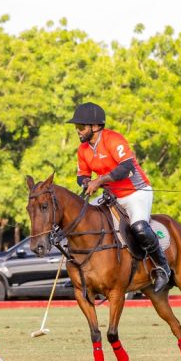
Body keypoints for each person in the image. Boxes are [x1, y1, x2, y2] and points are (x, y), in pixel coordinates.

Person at [67, 101, 171, 293]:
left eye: (81, 126)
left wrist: (99, 181)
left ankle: (162, 267)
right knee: (81, 220)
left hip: (136, 192)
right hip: (111, 196)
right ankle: (80, 269)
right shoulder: (83, 150)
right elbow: (82, 176)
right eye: (76, 127)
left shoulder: (113, 139)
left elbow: (126, 168)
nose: (78, 131)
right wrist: (86, 183)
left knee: (139, 227)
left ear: (95, 126)